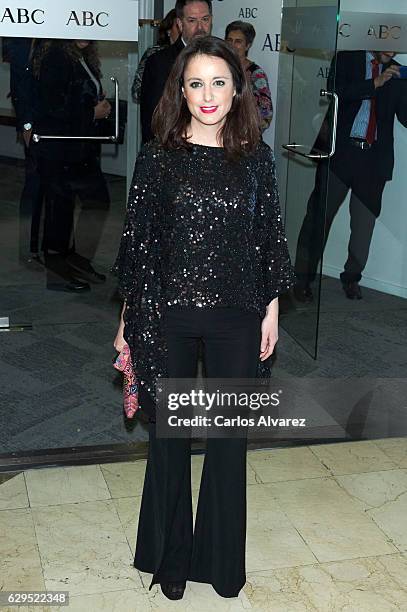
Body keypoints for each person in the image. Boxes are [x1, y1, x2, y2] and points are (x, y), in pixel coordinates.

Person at [113, 36, 294, 600]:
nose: (207, 95)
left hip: (238, 312)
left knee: (227, 440)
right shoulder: (157, 157)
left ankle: (219, 563)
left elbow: (267, 241)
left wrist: (271, 310)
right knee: (169, 437)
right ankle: (170, 559)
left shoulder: (257, 158)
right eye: (196, 83)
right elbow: (140, 246)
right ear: (180, 90)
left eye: (219, 82)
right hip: (168, 311)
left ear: (238, 88)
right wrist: (127, 321)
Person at [294, 50, 407, 302]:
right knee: (318, 218)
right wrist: (373, 84)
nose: (391, 47)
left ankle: (352, 277)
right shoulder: (347, 58)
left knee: (363, 227)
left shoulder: (399, 73)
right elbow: (335, 93)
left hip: (373, 161)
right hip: (340, 154)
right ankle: (301, 279)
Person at [32, 39, 112, 291]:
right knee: (60, 210)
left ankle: (78, 260)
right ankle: (57, 272)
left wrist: (98, 103)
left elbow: (77, 96)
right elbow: (51, 107)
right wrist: (91, 113)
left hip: (80, 147)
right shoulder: (56, 56)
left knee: (98, 201)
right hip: (59, 147)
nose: (84, 31)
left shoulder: (82, 56)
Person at [140, 0, 213, 143]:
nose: (200, 27)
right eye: (192, 21)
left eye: (205, 19)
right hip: (174, 150)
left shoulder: (223, 58)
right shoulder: (159, 62)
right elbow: (154, 120)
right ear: (180, 24)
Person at [225, 20, 273, 132]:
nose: (232, 45)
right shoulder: (217, 69)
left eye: (238, 41)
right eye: (229, 40)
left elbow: (266, 115)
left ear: (248, 46)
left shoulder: (256, 74)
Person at [131, 9, 179, 103]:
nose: (182, 29)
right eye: (178, 26)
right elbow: (137, 92)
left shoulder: (193, 53)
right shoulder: (154, 54)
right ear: (168, 30)